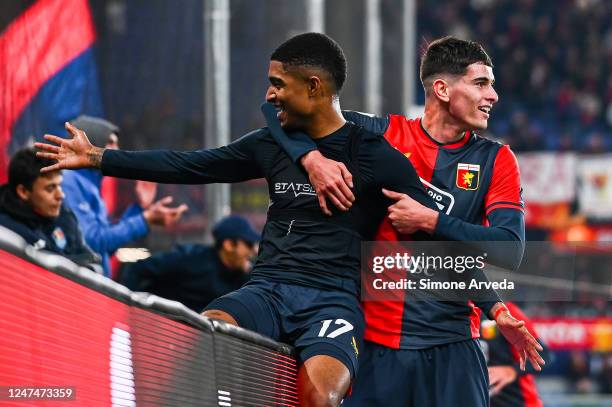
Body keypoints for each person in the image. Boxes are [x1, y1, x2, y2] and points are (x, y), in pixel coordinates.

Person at [36, 32, 441, 406]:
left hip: (332, 302)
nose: (269, 94)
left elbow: (435, 229)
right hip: (266, 290)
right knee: (203, 338)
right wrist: (98, 158)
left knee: (319, 397)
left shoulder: (375, 155)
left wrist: (490, 297)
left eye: (279, 83)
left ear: (314, 87)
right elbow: (189, 165)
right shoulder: (270, 144)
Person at [264, 36, 544, 406]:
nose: (493, 95)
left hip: (455, 347)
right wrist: (313, 160)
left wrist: (430, 219)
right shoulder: (379, 135)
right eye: (481, 83)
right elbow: (276, 109)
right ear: (442, 89)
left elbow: (509, 249)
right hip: (378, 347)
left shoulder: (497, 159)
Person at [61, 115, 188, 277]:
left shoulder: (90, 185)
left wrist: (139, 209)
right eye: (111, 142)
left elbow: (105, 246)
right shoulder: (69, 180)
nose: (117, 150)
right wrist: (144, 219)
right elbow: (91, 243)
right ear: (92, 141)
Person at [120, 215, 259, 312]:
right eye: (249, 244)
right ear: (229, 245)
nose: (254, 250)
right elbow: (138, 268)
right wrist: (127, 308)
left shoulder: (245, 278)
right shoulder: (190, 258)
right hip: (157, 331)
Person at [0, 148, 100, 269]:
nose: (60, 195)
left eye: (59, 185)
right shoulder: (6, 229)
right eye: (50, 188)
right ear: (23, 192)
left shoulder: (64, 214)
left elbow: (90, 259)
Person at [480, 302, 549, 407]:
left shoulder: (504, 310)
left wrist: (512, 371)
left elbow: (543, 354)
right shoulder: (454, 316)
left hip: (519, 401)